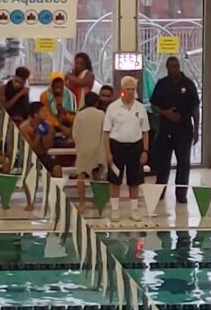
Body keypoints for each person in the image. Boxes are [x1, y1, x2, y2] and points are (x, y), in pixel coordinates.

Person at [150, 56, 200, 204]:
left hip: (184, 130)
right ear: (167, 68)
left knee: (183, 163)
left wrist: (197, 129)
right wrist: (166, 113)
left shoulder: (189, 84)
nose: (175, 69)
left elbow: (195, 107)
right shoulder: (162, 84)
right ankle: (160, 190)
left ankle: (181, 194)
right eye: (171, 66)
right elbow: (153, 106)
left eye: (177, 66)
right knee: (162, 163)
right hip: (165, 129)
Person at [104, 76, 150, 222]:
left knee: (134, 181)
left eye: (132, 89)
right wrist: (108, 152)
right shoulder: (113, 108)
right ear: (122, 90)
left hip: (135, 147)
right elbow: (106, 132)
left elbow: (145, 132)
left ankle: (134, 210)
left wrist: (145, 150)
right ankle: (115, 210)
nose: (130, 92)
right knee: (115, 181)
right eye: (128, 89)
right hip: (117, 146)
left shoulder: (140, 107)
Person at [72, 92, 107, 212]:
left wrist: (79, 145)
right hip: (97, 147)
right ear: (96, 102)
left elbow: (74, 134)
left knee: (81, 176)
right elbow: (105, 132)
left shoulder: (80, 115)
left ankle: (82, 203)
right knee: (97, 176)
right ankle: (98, 202)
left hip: (83, 148)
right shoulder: (101, 114)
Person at [19, 102, 62, 178]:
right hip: (28, 157)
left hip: (43, 155)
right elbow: (31, 149)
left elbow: (48, 147)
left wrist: (45, 135)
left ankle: (57, 189)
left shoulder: (48, 126)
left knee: (57, 169)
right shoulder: (24, 128)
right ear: (36, 114)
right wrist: (38, 135)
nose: (46, 113)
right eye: (43, 111)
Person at [41, 72, 75, 139]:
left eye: (60, 84)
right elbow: (46, 115)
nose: (58, 86)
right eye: (55, 84)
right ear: (51, 85)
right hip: (50, 123)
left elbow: (74, 115)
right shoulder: (44, 96)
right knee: (49, 130)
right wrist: (61, 126)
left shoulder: (70, 96)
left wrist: (65, 114)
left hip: (67, 122)